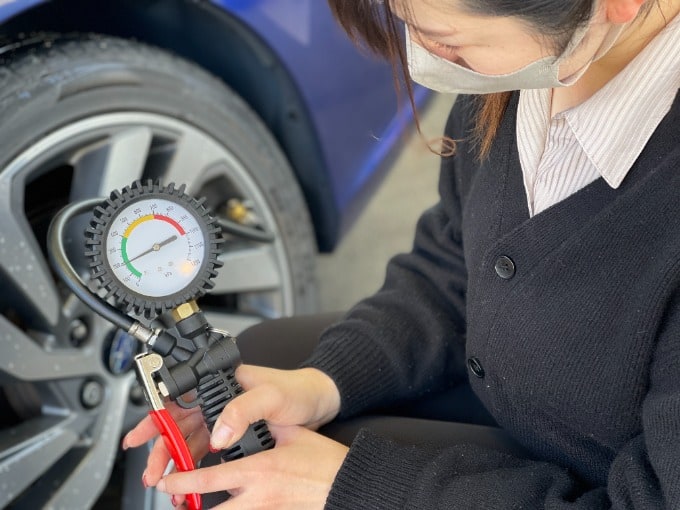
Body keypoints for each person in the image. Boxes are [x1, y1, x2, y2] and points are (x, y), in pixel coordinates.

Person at [123, 0, 680, 507]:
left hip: (610, 484)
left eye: (444, 40)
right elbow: (451, 269)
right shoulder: (529, 66)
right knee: (267, 371)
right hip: (515, 398)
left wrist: (352, 486)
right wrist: (322, 384)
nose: (427, 58)